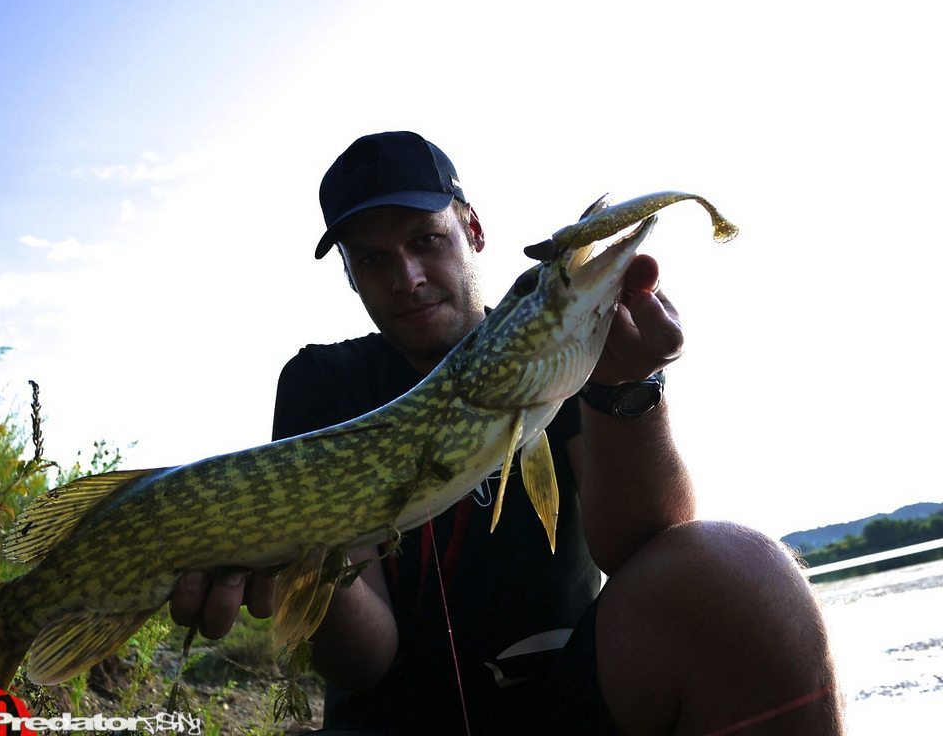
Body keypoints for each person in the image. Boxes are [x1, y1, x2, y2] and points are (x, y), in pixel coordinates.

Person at [170, 131, 842, 734]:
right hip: (396, 721)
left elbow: (647, 549)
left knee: (745, 575)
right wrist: (303, 556)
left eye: (426, 241)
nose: (407, 277)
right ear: (349, 273)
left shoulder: (552, 362)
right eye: (373, 260)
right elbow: (363, 662)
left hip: (569, 700)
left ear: (474, 230)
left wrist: (625, 389)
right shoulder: (323, 383)